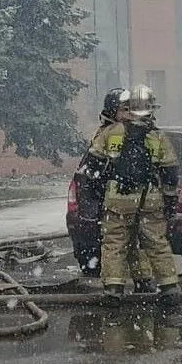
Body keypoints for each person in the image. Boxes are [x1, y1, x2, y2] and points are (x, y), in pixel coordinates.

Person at [86, 85, 180, 303]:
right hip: (150, 199)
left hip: (117, 200)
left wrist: (97, 193)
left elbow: (92, 166)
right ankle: (169, 287)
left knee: (114, 244)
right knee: (155, 242)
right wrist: (169, 199)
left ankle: (113, 289)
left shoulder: (110, 133)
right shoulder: (157, 137)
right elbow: (170, 171)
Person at [73, 87, 127, 278]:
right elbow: (97, 166)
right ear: (113, 111)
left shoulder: (112, 132)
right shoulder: (111, 134)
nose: (128, 113)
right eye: (123, 109)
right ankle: (117, 283)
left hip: (109, 200)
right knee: (114, 243)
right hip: (107, 199)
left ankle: (120, 283)